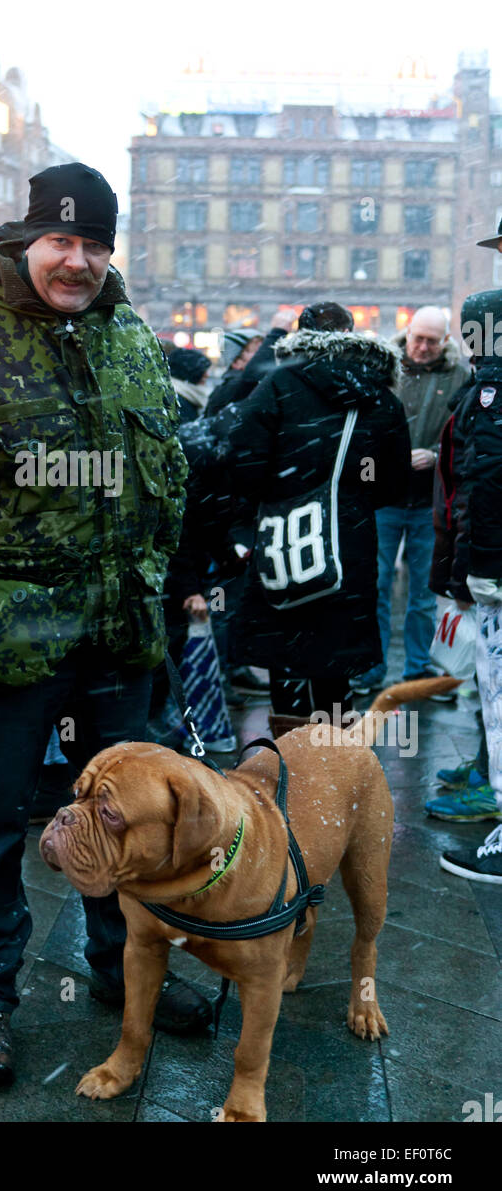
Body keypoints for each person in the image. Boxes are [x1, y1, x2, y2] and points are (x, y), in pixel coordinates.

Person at [0, 161, 211, 1087]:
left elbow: (165, 472)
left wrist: (162, 571)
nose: (80, 261)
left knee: (133, 819)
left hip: (119, 635)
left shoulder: (130, 338)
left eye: (96, 244)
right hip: (12, 636)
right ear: (26, 240)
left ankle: (124, 970)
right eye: (63, 241)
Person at [225, 301, 411, 734]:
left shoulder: (278, 384)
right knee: (336, 662)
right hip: (350, 542)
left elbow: (242, 457)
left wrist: (275, 494)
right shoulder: (381, 392)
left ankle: (290, 769)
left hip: (286, 538)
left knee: (287, 662)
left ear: (299, 334)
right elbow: (394, 484)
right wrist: (351, 502)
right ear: (351, 334)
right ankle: (336, 770)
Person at [356, 307, 470, 697]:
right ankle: (373, 668)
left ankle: (417, 670)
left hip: (429, 502)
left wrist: (436, 455)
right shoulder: (385, 370)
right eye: (417, 338)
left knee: (423, 593)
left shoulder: (459, 376)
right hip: (385, 498)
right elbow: (364, 431)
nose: (421, 347)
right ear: (407, 334)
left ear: (444, 341)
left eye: (431, 341)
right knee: (376, 587)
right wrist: (385, 462)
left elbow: (465, 436)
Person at [436, 269, 502, 883]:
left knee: (499, 695)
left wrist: (473, 570)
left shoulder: (492, 388)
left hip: (495, 569)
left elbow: (483, 487)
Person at [167, 346, 211, 422]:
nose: (207, 375)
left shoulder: (186, 395)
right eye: (202, 371)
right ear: (189, 373)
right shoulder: (179, 402)